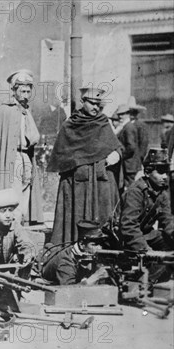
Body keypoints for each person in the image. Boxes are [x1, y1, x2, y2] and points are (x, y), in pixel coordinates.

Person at [48, 87, 122, 244]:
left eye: (98, 104)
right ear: (83, 102)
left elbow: (116, 148)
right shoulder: (70, 125)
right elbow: (62, 154)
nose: (96, 108)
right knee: (76, 216)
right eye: (92, 103)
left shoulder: (103, 123)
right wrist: (77, 162)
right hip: (77, 182)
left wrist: (113, 156)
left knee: (103, 216)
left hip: (100, 180)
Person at [0, 69, 43, 226]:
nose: (26, 95)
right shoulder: (4, 110)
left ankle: (22, 223)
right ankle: (13, 224)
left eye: (28, 91)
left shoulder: (27, 110)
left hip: (26, 156)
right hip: (11, 158)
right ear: (14, 91)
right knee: (14, 190)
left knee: (27, 186)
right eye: (22, 91)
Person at [119, 148, 174, 253]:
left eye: (166, 172)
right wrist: (146, 250)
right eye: (160, 172)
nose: (165, 177)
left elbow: (167, 220)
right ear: (147, 172)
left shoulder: (161, 192)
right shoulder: (136, 192)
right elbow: (128, 226)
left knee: (168, 240)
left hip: (144, 234)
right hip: (124, 237)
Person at [40, 220, 109, 285]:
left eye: (100, 244)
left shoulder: (83, 253)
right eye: (94, 245)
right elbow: (70, 291)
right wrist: (95, 277)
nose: (99, 248)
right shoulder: (66, 262)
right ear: (81, 244)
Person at [115, 97, 149, 188]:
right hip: (131, 163)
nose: (120, 117)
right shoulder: (127, 126)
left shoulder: (132, 126)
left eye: (134, 112)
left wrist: (121, 155)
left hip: (131, 164)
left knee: (131, 187)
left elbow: (134, 146)